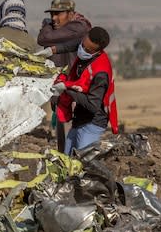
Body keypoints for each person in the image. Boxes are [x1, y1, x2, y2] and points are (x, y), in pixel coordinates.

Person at [34, 0, 92, 153]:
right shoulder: (58, 31)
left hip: (77, 92)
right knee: (63, 142)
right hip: (60, 92)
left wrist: (45, 25)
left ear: (71, 14)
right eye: (52, 14)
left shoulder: (79, 27)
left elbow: (43, 38)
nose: (54, 18)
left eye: (58, 14)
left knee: (79, 140)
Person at [51, 27, 119, 156]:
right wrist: (52, 50)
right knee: (67, 159)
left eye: (87, 50)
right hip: (79, 120)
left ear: (98, 52)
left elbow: (92, 105)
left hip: (92, 124)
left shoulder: (101, 73)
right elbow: (73, 45)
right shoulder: (86, 50)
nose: (82, 49)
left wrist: (67, 89)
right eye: (83, 45)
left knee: (83, 163)